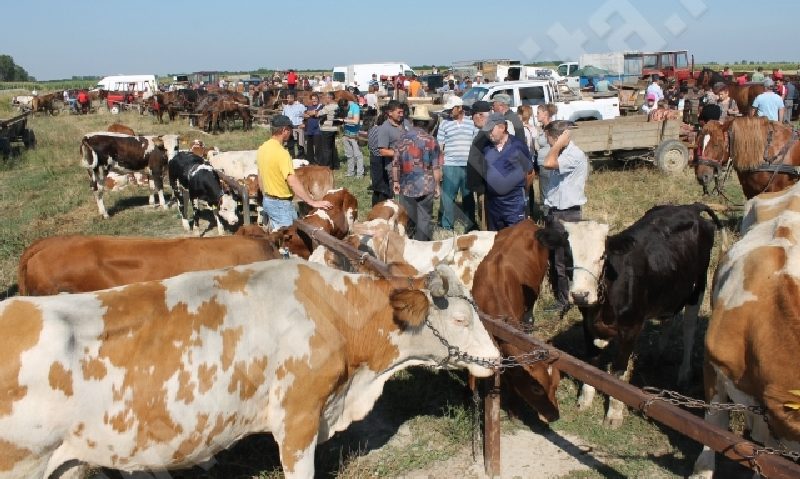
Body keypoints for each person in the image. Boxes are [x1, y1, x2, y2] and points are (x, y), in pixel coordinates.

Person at [541, 121, 588, 314]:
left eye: (548, 138)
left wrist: (558, 144)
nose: (547, 141)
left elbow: (548, 163)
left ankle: (566, 300)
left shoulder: (573, 155)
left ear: (557, 136)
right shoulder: (563, 152)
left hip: (567, 214)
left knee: (564, 260)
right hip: (556, 212)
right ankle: (564, 295)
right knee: (558, 258)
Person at [256, 115, 332, 230]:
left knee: (279, 234)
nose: (291, 133)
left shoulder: (262, 148)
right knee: (289, 240)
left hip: (268, 200)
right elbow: (292, 181)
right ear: (284, 130)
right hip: (281, 204)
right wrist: (312, 202)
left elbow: (261, 174)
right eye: (290, 130)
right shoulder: (281, 153)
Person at [392, 108, 441, 241]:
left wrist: (396, 182)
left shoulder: (401, 139)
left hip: (406, 184)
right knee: (424, 218)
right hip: (426, 184)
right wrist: (437, 186)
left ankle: (409, 242)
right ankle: (422, 246)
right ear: (426, 123)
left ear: (413, 121)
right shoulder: (431, 140)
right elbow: (436, 167)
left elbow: (396, 163)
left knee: (408, 216)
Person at [481, 113, 534, 231]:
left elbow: (530, 172)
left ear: (502, 127)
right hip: (493, 202)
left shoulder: (518, 145)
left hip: (514, 201)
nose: (488, 134)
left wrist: (522, 191)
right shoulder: (486, 147)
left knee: (516, 235)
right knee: (495, 237)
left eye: (491, 130)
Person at [437, 96, 477, 231]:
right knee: (448, 197)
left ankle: (470, 224)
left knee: (468, 196)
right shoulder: (444, 124)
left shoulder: (471, 123)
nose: (449, 112)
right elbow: (440, 147)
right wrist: (440, 166)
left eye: (451, 109)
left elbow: (476, 143)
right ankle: (447, 225)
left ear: (459, 108)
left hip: (468, 165)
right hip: (450, 164)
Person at [466, 100, 494, 228]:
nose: (472, 121)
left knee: (486, 220)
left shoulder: (489, 134)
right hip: (481, 185)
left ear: (480, 115)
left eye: (473, 117)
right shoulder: (484, 132)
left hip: (486, 186)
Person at [372, 100, 406, 205]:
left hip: (409, 165)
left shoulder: (406, 123)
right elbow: (383, 151)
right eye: (399, 112)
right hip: (394, 168)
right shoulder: (384, 128)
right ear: (390, 113)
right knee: (398, 197)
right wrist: (401, 153)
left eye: (402, 112)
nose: (401, 114)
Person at [535, 103, 557, 218]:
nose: (536, 115)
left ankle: (548, 219)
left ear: (545, 114)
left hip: (547, 164)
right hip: (544, 163)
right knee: (547, 192)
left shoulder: (550, 129)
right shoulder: (544, 128)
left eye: (538, 113)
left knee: (546, 194)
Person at [340, 98, 364, 177]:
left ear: (347, 104)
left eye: (345, 107)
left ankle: (360, 174)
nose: (344, 109)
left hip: (355, 134)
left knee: (358, 154)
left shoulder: (355, 107)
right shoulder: (342, 108)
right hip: (346, 134)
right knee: (349, 154)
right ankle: (350, 172)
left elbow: (356, 121)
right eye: (342, 108)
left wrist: (343, 120)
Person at [317, 92, 340, 168]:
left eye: (326, 98)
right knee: (332, 147)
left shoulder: (328, 107)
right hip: (334, 128)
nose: (325, 99)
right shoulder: (337, 106)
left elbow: (318, 114)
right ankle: (334, 165)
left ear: (330, 98)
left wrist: (310, 112)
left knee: (326, 149)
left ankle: (327, 166)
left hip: (327, 129)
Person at [281, 93, 306, 159]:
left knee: (300, 143)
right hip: (289, 127)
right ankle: (292, 158)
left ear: (293, 98)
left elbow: (306, 115)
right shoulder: (285, 107)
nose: (288, 99)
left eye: (290, 98)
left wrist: (304, 123)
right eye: (287, 98)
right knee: (290, 144)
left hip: (298, 126)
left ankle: (301, 158)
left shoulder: (300, 106)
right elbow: (283, 117)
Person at [303, 94, 323, 165]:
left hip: (317, 129)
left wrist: (310, 113)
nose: (314, 100)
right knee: (309, 146)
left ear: (318, 99)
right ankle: (310, 161)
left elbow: (315, 113)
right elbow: (304, 115)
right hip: (309, 129)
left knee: (318, 147)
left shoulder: (320, 106)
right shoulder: (309, 107)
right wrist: (310, 113)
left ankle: (319, 161)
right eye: (313, 99)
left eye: (315, 99)